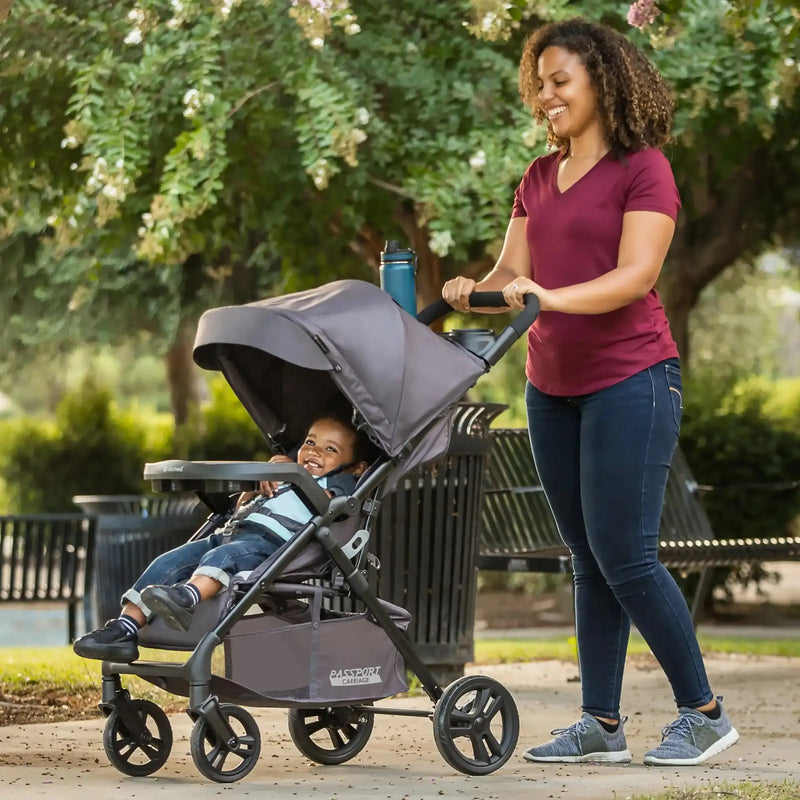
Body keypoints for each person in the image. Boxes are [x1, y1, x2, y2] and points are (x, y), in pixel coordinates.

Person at [442, 18, 738, 767]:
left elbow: (636, 275)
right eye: (538, 83)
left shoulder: (646, 169)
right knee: (585, 555)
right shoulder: (538, 178)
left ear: (602, 82)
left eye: (559, 80)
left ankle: (703, 712)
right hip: (553, 385)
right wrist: (469, 291)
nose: (545, 95)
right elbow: (511, 277)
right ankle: (600, 724)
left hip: (633, 379)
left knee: (626, 555)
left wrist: (547, 293)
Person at [73, 412, 370, 663]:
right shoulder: (283, 475)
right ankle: (124, 630)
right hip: (232, 532)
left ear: (355, 467)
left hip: (270, 544)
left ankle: (186, 598)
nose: (315, 452)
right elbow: (241, 509)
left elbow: (328, 504)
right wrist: (256, 484)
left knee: (223, 559)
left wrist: (294, 474)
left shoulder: (340, 483)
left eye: (330, 450)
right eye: (309, 442)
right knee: (168, 562)